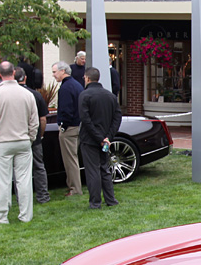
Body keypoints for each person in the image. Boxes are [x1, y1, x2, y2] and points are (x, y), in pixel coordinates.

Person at [0, 61, 38, 224]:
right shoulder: (27, 94)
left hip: (2, 142)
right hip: (23, 141)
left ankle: (1, 217)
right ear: (14, 73)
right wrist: (30, 138)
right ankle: (26, 215)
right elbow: (34, 121)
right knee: (24, 180)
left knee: (2, 181)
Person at [78, 67, 122, 209]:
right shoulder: (110, 96)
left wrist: (100, 138)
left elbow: (86, 120)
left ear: (87, 78)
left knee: (92, 171)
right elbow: (117, 118)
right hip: (105, 139)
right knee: (105, 168)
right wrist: (108, 136)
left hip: (90, 139)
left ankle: (95, 202)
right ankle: (111, 199)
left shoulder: (85, 95)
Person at [15, 66, 49, 203]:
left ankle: (21, 199)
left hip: (16, 137)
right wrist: (40, 135)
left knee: (18, 170)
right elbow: (43, 118)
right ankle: (43, 196)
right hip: (33, 137)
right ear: (26, 78)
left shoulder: (8, 95)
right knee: (39, 167)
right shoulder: (35, 95)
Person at [51, 60, 84, 196]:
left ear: (63, 71)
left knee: (70, 160)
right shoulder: (77, 85)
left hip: (70, 128)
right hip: (78, 125)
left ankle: (75, 189)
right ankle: (73, 186)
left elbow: (66, 110)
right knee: (73, 158)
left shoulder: (65, 88)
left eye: (54, 72)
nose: (53, 75)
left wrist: (63, 126)